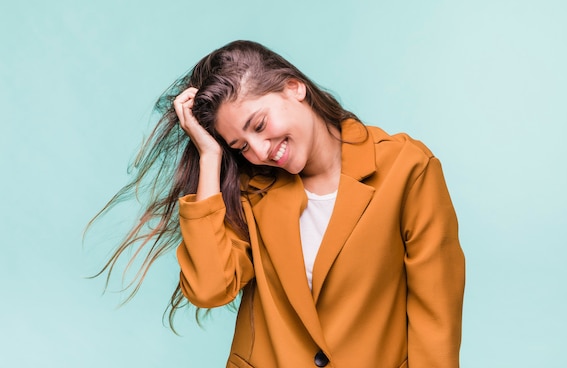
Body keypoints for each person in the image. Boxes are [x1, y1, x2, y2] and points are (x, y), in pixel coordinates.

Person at [91, 40, 465, 367]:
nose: (259, 152)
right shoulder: (251, 188)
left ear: (294, 88)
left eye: (258, 125)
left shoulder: (406, 169)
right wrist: (210, 156)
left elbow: (436, 317)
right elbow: (208, 288)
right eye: (240, 146)